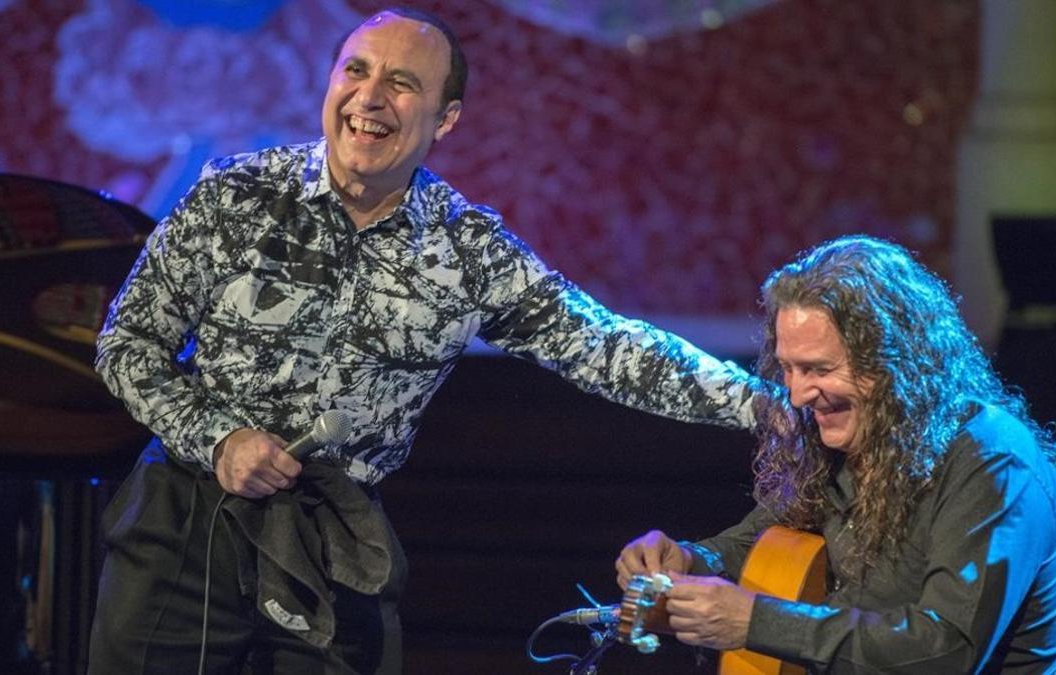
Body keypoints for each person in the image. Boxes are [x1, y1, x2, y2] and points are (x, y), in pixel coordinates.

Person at [87, 6, 762, 675]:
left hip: (334, 541)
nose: (369, 98)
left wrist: (763, 404)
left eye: (402, 83)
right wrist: (220, 437)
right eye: (355, 70)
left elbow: (607, 345)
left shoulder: (467, 248)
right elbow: (127, 342)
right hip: (186, 522)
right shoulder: (234, 193)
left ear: (445, 119)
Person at [616, 235, 1056, 673]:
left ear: (897, 362)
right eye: (788, 368)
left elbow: (944, 653)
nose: (796, 395)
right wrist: (689, 562)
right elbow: (760, 544)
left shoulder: (993, 462)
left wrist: (754, 622)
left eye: (818, 369)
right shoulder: (839, 440)